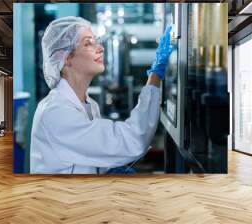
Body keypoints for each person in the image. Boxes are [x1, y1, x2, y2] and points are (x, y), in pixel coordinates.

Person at [30, 16, 173, 174]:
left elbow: (95, 156)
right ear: (64, 59)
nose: (101, 48)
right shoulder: (56, 112)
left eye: (96, 41)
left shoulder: (90, 105)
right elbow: (132, 140)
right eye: (88, 43)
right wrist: (155, 75)